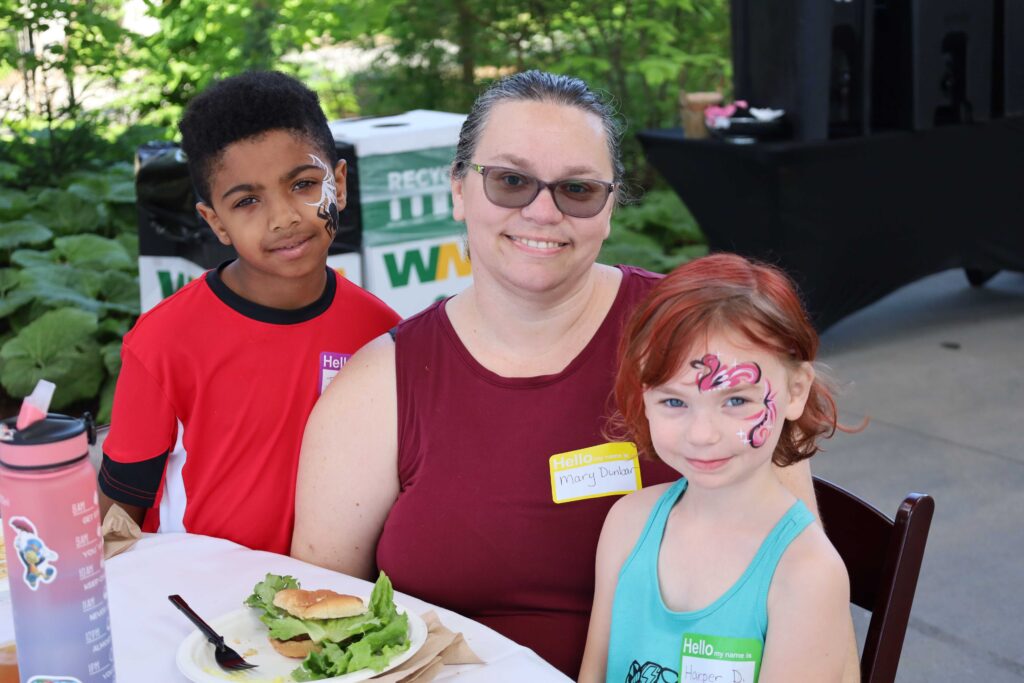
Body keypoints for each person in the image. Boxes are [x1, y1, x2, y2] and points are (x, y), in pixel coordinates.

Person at [291, 71, 818, 677]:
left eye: (577, 188)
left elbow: (793, 563)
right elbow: (322, 620)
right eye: (511, 181)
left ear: (610, 205)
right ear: (459, 189)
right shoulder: (381, 384)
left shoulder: (697, 335)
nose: (543, 211)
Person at [98, 71, 400, 554]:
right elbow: (116, 514)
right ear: (215, 222)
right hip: (197, 600)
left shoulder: (381, 333)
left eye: (303, 184)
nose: (283, 217)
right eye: (248, 201)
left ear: (339, 185)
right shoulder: (163, 341)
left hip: (335, 596)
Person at [578, 253, 856, 682]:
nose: (702, 434)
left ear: (796, 391)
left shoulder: (805, 574)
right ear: (644, 395)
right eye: (675, 402)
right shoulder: (628, 524)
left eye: (737, 401)